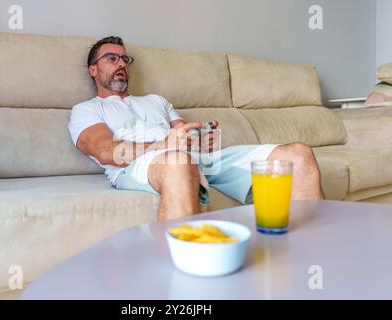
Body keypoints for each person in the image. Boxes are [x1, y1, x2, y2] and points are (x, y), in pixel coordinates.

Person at [69, 36, 325, 221]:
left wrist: (199, 138)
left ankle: (313, 260)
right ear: (93, 70)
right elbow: (106, 151)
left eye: (125, 59)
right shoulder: (87, 109)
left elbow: (183, 132)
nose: (122, 64)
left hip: (197, 158)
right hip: (141, 165)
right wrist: (166, 146)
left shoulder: (156, 101)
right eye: (112, 59)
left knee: (298, 155)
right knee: (179, 162)